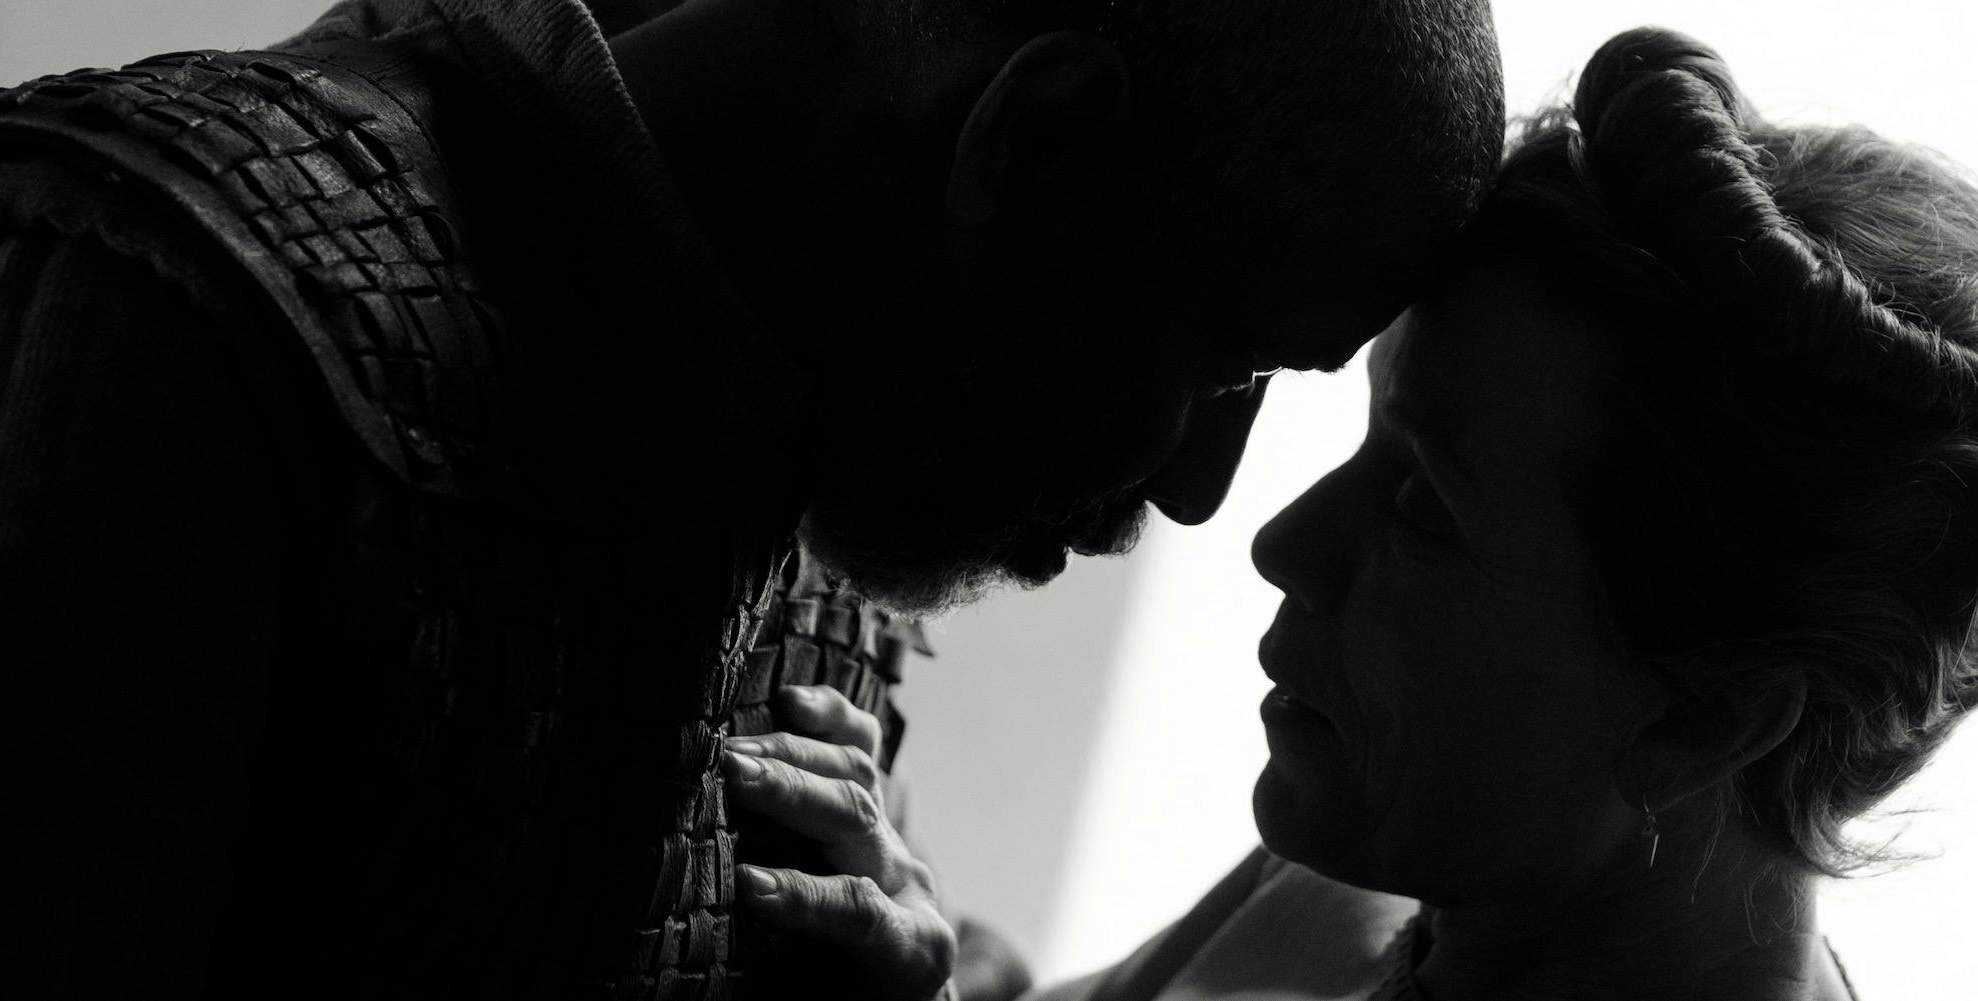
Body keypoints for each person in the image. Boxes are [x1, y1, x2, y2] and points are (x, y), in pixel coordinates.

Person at [0, 0, 1505, 996]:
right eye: (1220, 367)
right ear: (1031, 147)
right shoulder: (179, 331)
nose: (1195, 493)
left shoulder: (803, 438)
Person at [732, 27, 1978, 1000]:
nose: (1284, 544)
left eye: (1425, 507)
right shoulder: (1341, 898)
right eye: (1366, 438)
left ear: (1706, 714)